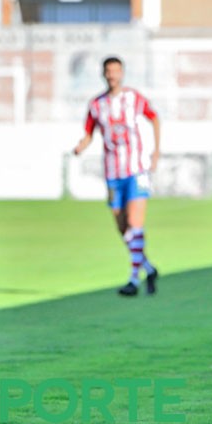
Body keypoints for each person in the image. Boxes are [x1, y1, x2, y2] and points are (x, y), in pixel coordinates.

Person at [73, 56, 161, 296]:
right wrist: (82, 145)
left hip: (137, 170)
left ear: (122, 73)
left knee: (135, 223)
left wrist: (156, 151)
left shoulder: (134, 98)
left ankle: (134, 279)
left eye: (116, 71)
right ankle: (149, 268)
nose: (112, 75)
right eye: (108, 71)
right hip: (113, 173)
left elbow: (154, 119)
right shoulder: (96, 104)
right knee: (123, 228)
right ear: (103, 74)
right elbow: (89, 133)